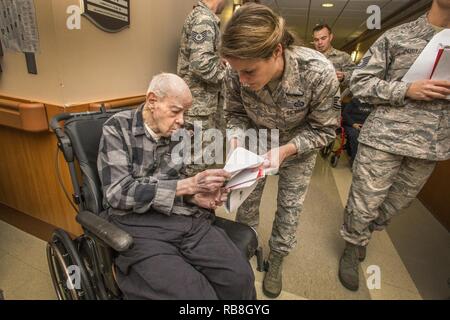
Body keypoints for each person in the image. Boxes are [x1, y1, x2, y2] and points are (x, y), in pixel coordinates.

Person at [97, 73, 256, 300]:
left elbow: (176, 180)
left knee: (240, 279)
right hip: (137, 224)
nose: (182, 120)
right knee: (195, 296)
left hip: (181, 217)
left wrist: (195, 196)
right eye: (175, 111)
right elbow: (118, 193)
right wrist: (188, 185)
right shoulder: (117, 129)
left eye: (184, 112)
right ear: (152, 101)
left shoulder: (179, 133)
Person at [220, 4, 340, 298]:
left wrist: (286, 150)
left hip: (299, 144)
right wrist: (235, 143)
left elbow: (324, 130)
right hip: (256, 141)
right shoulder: (235, 72)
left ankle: (277, 259)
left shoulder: (318, 71)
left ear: (276, 52)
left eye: (249, 71)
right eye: (238, 72)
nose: (243, 80)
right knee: (244, 200)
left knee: (290, 206)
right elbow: (235, 114)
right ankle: (244, 249)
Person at [339, 0, 450, 292]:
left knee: (394, 205)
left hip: (430, 145)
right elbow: (359, 82)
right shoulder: (398, 36)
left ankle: (365, 233)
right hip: (385, 139)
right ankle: (352, 245)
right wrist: (405, 89)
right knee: (365, 201)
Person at [177, 0, 229, 176]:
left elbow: (205, 59)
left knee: (203, 164)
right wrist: (232, 78)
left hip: (204, 107)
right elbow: (201, 64)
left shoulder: (206, 18)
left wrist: (219, 61)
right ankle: (189, 204)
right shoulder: (204, 19)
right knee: (196, 168)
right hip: (199, 109)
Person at [312, 24, 355, 91]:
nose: (319, 42)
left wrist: (343, 77)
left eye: (323, 38)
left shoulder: (343, 56)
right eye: (316, 40)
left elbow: (356, 78)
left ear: (330, 37)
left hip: (334, 99)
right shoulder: (309, 58)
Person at [342, 98, 372, 165]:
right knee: (355, 136)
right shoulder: (354, 101)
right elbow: (345, 114)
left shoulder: (373, 103)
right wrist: (353, 124)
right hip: (351, 125)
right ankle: (354, 161)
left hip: (366, 125)